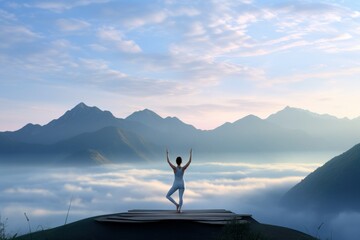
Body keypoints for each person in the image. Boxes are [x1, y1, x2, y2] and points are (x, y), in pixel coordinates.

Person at [166, 148, 192, 213]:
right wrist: (190, 153)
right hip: (182, 184)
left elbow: (168, 161)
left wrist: (167, 154)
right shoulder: (183, 168)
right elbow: (189, 162)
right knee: (181, 197)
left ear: (176, 162)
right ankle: (180, 209)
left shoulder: (174, 168)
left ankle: (176, 205)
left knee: (168, 195)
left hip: (175, 184)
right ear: (181, 162)